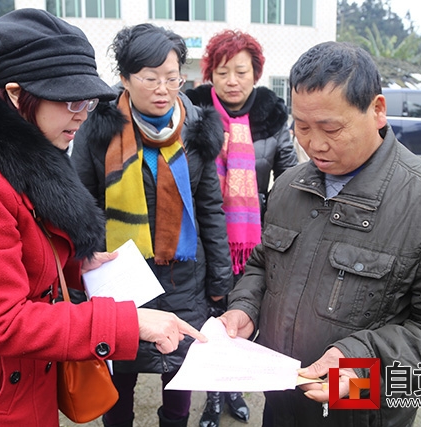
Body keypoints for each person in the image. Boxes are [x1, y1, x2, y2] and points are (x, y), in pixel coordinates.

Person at [0, 9, 206, 427]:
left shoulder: (26, 158)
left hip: (20, 380)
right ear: (16, 93)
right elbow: (3, 321)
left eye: (89, 101)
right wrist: (126, 322)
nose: (83, 114)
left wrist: (75, 264)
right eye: (71, 101)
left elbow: (24, 253)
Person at [220, 41, 421, 427]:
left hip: (363, 411)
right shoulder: (288, 187)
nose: (314, 144)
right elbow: (263, 263)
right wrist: (244, 307)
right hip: (281, 403)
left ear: (377, 110)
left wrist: (361, 361)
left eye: (331, 128)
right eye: (302, 127)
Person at [71, 24, 233, 427]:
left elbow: (210, 209)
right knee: (118, 373)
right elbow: (81, 203)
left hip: (184, 278)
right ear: (125, 78)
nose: (163, 89)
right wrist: (82, 269)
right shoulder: (98, 127)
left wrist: (220, 282)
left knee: (179, 374)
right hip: (120, 275)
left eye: (172, 78)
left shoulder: (198, 128)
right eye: (150, 78)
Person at [185, 29, 298, 427]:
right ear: (210, 75)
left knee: (244, 317)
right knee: (211, 320)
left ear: (256, 74)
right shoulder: (193, 115)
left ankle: (234, 389)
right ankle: (213, 398)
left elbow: (289, 179)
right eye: (222, 72)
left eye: (241, 71)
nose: (232, 81)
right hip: (203, 238)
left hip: (255, 242)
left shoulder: (273, 119)